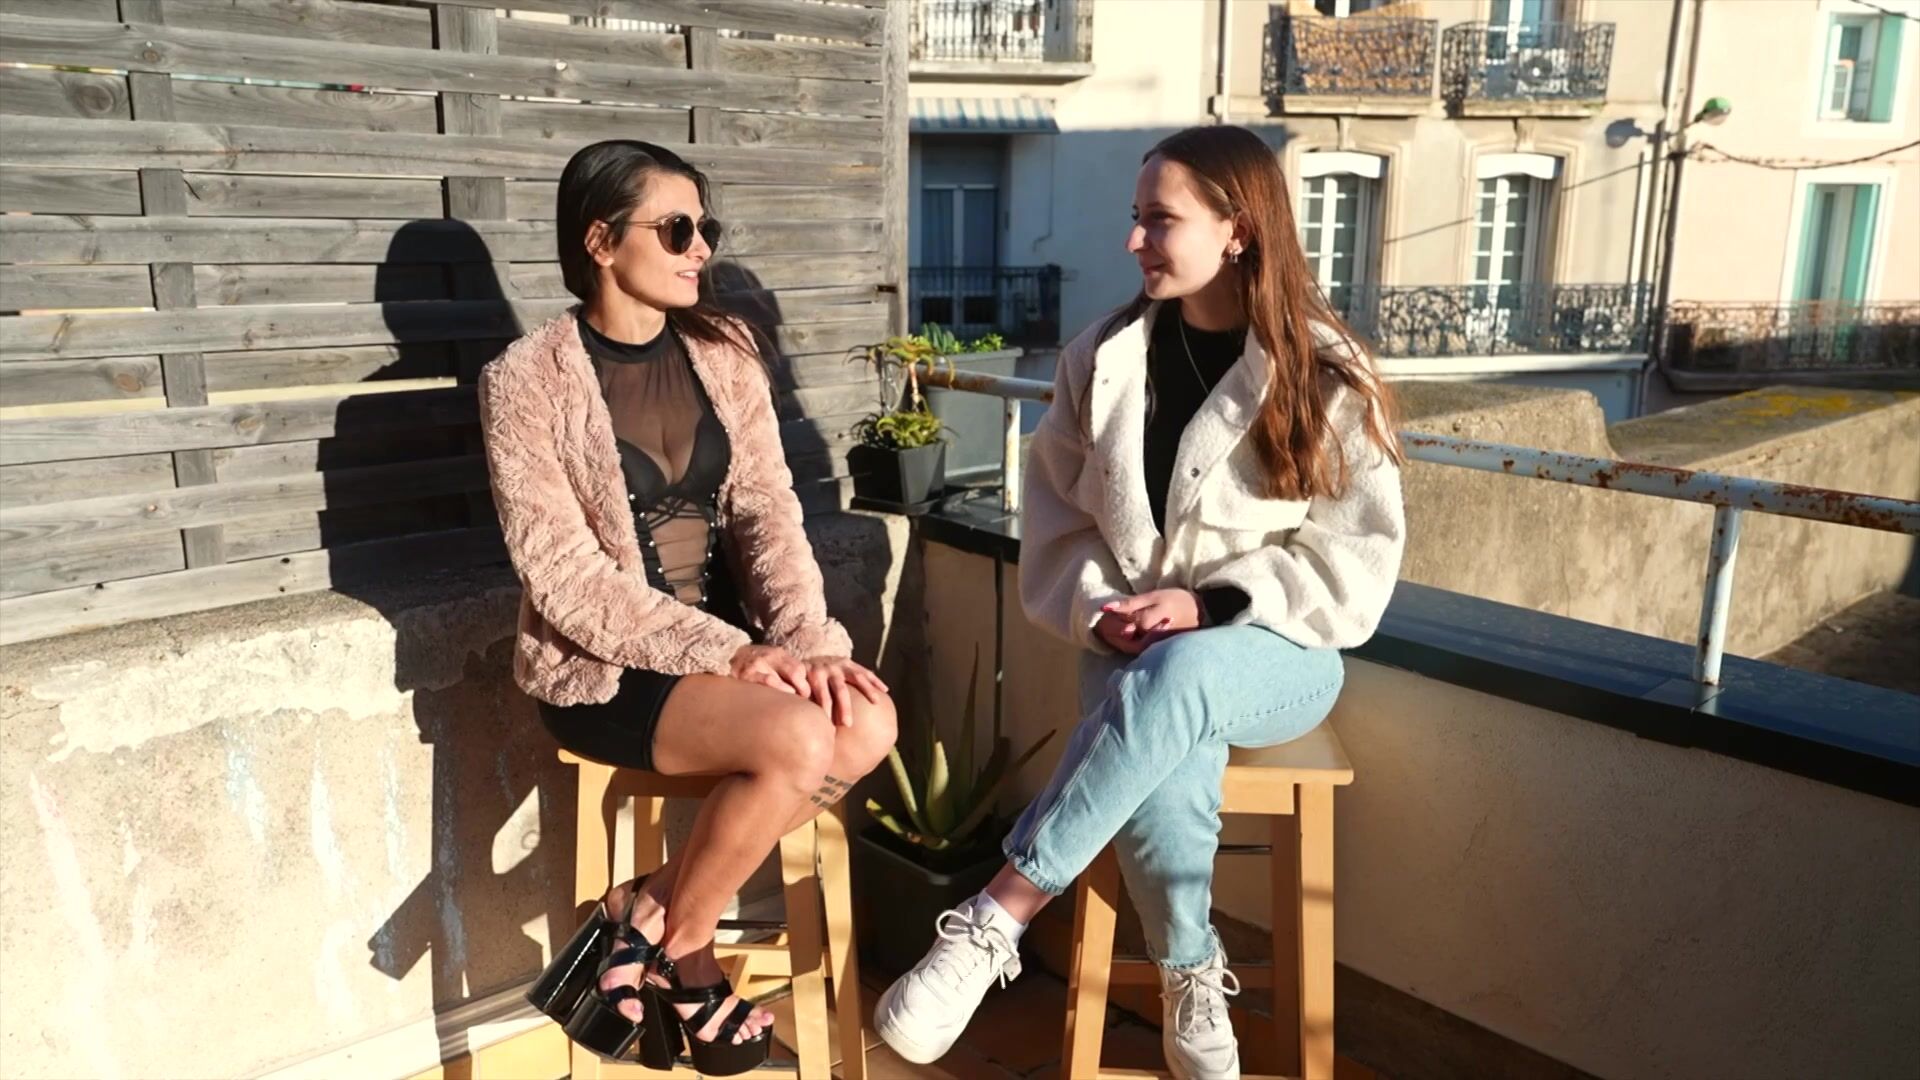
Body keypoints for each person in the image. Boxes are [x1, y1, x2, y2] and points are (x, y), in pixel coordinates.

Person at [874, 124, 1406, 1080]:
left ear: (1238, 230)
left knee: (1183, 670)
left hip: (1283, 652)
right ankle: (1192, 974)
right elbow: (1059, 521)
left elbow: (1355, 562)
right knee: (1169, 732)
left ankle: (998, 915)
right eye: (1136, 218)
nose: (1133, 241)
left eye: (1160, 220)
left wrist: (1212, 605)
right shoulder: (1101, 359)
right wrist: (1099, 609)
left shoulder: (1324, 374)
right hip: (1131, 650)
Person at [486, 140, 897, 1075]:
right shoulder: (523, 380)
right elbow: (563, 576)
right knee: (798, 741)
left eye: (705, 227)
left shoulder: (724, 353)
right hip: (606, 669)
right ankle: (691, 958)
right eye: (677, 229)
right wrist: (730, 653)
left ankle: (644, 920)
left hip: (735, 662)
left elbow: (767, 516)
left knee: (867, 720)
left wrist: (808, 644)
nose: (701, 247)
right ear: (601, 241)